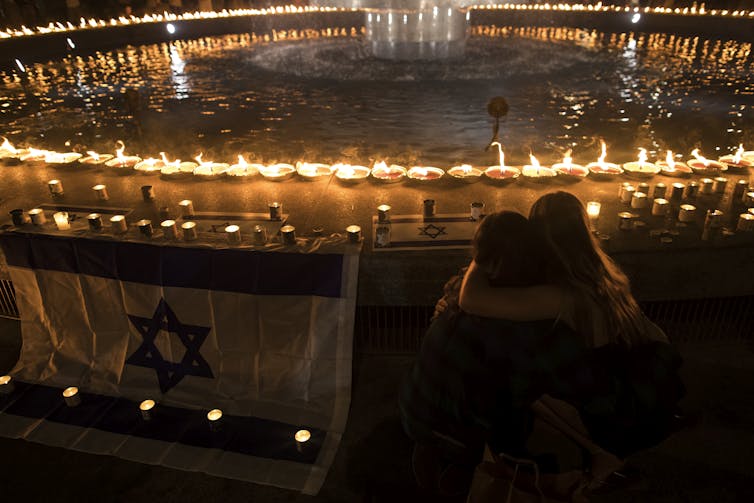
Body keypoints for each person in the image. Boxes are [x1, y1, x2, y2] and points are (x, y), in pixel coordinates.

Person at [458, 191, 683, 483]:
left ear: (539, 236)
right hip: (638, 371)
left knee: (513, 362)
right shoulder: (602, 271)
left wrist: (484, 247)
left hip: (612, 400)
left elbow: (470, 299)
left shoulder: (562, 296)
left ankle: (600, 453)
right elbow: (652, 332)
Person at [400, 211, 593, 499]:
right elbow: (547, 386)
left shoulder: (464, 289)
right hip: (460, 434)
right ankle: (474, 472)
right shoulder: (523, 322)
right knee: (525, 412)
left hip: (414, 406)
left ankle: (433, 461)